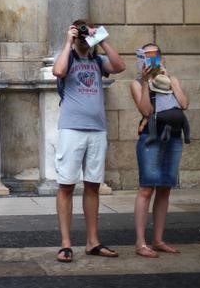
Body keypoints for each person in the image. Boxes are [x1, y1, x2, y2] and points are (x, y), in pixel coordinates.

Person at [52, 19, 126, 263]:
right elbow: (58, 72)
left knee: (93, 184)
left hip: (97, 130)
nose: (84, 37)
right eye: (80, 32)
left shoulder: (97, 61)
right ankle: (65, 244)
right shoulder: (69, 58)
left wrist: (101, 40)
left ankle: (93, 241)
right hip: (71, 130)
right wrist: (68, 42)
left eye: (86, 33)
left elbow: (120, 66)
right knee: (66, 185)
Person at [130, 43, 189, 258]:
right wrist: (147, 82)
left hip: (173, 137)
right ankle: (140, 242)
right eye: (146, 56)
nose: (151, 60)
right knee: (146, 188)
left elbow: (183, 104)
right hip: (151, 138)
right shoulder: (137, 83)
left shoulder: (172, 80)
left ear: (161, 59)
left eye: (155, 56)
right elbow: (146, 110)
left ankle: (158, 239)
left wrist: (169, 80)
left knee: (165, 188)